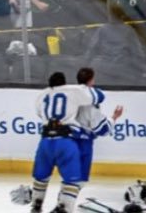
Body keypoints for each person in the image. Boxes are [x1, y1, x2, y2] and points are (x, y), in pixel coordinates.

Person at [29, 71, 102, 213]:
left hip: (45, 141)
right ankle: (64, 208)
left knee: (41, 178)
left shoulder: (42, 94)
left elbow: (39, 112)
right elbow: (98, 96)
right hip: (65, 141)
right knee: (72, 181)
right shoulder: (72, 91)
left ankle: (36, 205)